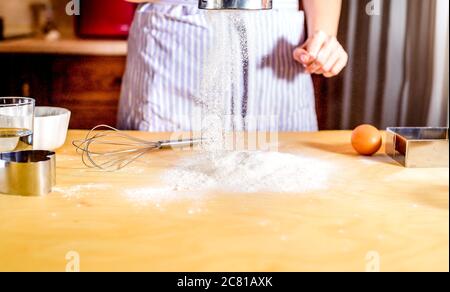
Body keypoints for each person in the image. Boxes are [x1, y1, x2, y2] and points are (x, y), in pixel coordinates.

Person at [118, 0, 348, 132]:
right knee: (164, 192)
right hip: (178, 52)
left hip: (277, 55)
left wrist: (323, 34)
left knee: (283, 194)